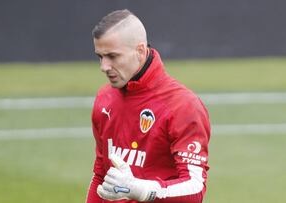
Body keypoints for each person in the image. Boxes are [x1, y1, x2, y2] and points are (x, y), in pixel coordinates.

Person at [86, 9, 211, 203]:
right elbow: (101, 176)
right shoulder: (105, 99)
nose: (104, 67)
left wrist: (143, 190)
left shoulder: (183, 106)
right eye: (100, 57)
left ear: (140, 51)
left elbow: (194, 188)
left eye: (112, 56)